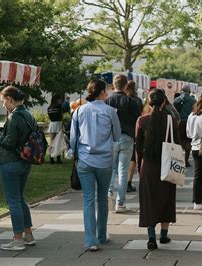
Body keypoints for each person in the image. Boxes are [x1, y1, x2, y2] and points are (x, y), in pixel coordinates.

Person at [70, 79, 121, 251]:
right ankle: (101, 235)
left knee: (88, 200)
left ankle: (90, 240)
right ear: (101, 92)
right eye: (106, 91)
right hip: (105, 160)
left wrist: (75, 152)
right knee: (102, 199)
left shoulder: (79, 111)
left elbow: (73, 138)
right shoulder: (110, 111)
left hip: (85, 160)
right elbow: (116, 135)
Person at [136, 89, 180, 250]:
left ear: (149, 102)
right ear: (163, 103)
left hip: (148, 167)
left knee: (149, 201)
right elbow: (177, 144)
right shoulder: (171, 121)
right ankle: (163, 234)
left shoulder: (142, 121)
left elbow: (138, 147)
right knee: (166, 199)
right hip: (167, 166)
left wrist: (139, 166)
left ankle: (151, 237)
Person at [0, 86, 36, 251]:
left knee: (13, 201)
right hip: (25, 161)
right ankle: (28, 235)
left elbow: (9, 143)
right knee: (20, 198)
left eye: (4, 101)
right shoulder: (28, 114)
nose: (3, 105)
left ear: (10, 99)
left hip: (10, 162)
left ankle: (17, 239)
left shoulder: (14, 117)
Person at [106, 74, 141, 213]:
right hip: (127, 137)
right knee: (123, 171)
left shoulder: (107, 101)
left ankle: (108, 194)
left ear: (113, 85)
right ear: (126, 86)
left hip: (111, 138)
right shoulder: (130, 101)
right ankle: (120, 203)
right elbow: (137, 119)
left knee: (111, 169)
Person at [173, 85, 196, 167]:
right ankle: (186, 160)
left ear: (181, 91)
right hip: (189, 122)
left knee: (178, 141)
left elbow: (173, 113)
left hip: (178, 123)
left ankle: (178, 161)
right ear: (189, 91)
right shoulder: (193, 101)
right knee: (188, 141)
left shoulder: (176, 100)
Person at [126, 81, 143, 193]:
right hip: (134, 131)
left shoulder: (124, 100)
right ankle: (128, 182)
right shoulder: (137, 101)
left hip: (121, 132)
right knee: (132, 159)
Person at [47, 93, 64, 164]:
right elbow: (61, 116)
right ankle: (58, 158)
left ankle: (51, 158)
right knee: (58, 142)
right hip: (58, 124)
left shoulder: (49, 108)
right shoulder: (59, 107)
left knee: (52, 142)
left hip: (52, 124)